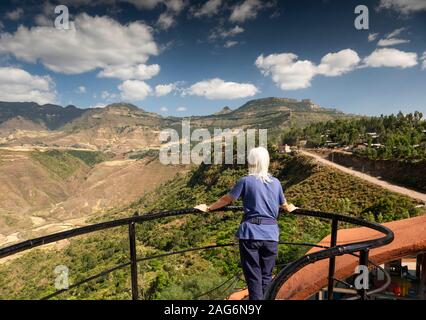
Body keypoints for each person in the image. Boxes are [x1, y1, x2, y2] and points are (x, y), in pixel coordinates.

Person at [195, 147, 297, 300]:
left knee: (253, 276)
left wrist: (208, 208)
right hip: (271, 235)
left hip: (250, 234)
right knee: (267, 276)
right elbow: (285, 206)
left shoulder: (245, 181)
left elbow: (227, 200)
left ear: (252, 162)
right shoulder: (276, 183)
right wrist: (291, 208)